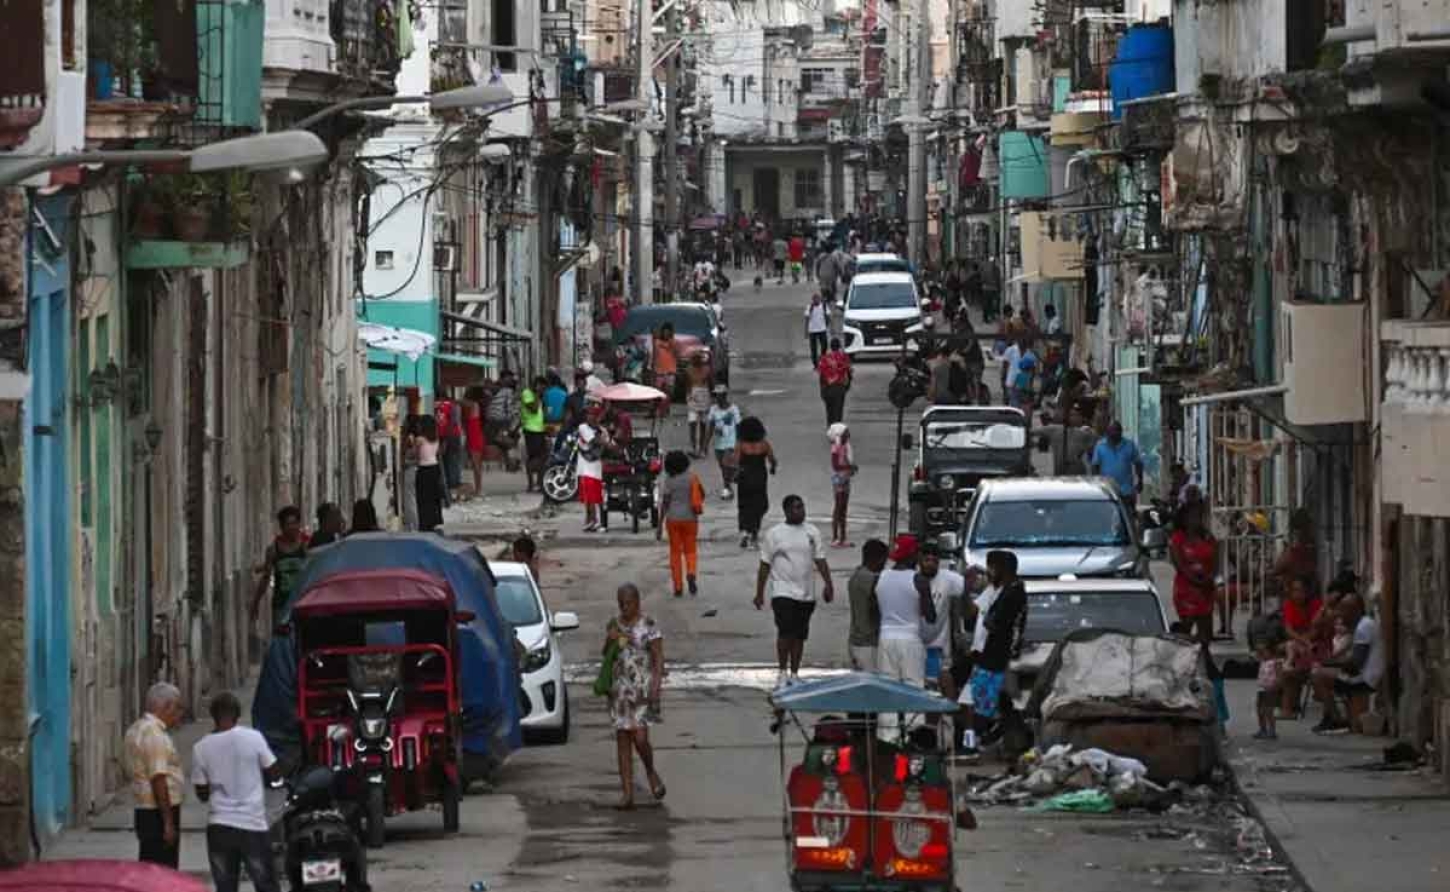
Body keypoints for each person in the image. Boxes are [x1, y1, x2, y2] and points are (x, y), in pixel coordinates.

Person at [192, 691, 282, 892]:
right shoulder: (254, 738)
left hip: (219, 826)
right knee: (266, 884)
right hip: (252, 825)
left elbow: (202, 794)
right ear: (238, 714)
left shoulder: (200, 748)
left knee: (225, 887)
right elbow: (275, 773)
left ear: (213, 716)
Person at [754, 494, 834, 686]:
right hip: (783, 592)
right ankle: (782, 671)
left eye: (802, 507)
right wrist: (759, 592)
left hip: (806, 593)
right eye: (796, 508)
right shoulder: (775, 534)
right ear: (787, 511)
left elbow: (820, 559)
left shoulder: (812, 532)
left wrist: (828, 584)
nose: (801, 511)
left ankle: (795, 673)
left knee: (799, 635)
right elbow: (765, 564)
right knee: (785, 632)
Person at [605, 584, 667, 809]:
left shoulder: (649, 625)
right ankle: (627, 794)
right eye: (620, 602)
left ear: (638, 602)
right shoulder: (614, 624)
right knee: (623, 740)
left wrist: (656, 686)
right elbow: (607, 655)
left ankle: (650, 772)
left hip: (642, 689)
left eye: (628, 602)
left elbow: (659, 657)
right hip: (620, 690)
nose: (624, 607)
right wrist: (611, 639)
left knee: (640, 738)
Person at [872, 534, 937, 737]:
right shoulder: (919, 581)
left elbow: (872, 610)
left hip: (885, 638)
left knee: (888, 687)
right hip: (910, 639)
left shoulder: (880, 578)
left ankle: (887, 737)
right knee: (913, 687)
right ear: (913, 555)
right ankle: (914, 736)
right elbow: (931, 616)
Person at [968, 550, 1027, 746]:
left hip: (996, 657)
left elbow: (993, 624)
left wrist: (987, 618)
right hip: (994, 656)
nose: (988, 572)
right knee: (996, 704)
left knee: (982, 705)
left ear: (1002, 569)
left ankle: (979, 744)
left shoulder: (1012, 593)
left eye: (991, 567)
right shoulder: (1006, 590)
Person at [125, 682, 185, 867]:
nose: (179, 714)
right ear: (166, 706)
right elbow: (158, 778)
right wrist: (168, 823)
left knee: (150, 868)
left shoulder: (136, 728)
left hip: (145, 809)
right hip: (158, 812)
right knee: (163, 870)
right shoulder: (154, 734)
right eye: (177, 707)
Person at [1310, 595, 1383, 734]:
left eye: (1343, 609)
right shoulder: (1363, 624)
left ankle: (1334, 718)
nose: (1339, 613)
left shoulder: (1363, 627)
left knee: (1317, 675)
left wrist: (1328, 663)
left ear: (1354, 611)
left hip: (1365, 679)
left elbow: (1356, 664)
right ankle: (1335, 716)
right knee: (1322, 671)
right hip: (1364, 675)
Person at [918, 545, 968, 704]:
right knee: (921, 691)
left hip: (939, 648)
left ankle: (949, 723)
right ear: (920, 561)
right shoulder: (912, 578)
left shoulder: (948, 578)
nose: (931, 564)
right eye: (927, 560)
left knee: (942, 689)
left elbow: (968, 585)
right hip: (915, 647)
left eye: (934, 560)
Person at [1169, 500, 1218, 647]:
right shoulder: (1177, 538)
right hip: (1187, 589)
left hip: (1206, 589)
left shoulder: (1208, 537)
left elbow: (1215, 560)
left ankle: (1203, 657)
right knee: (1186, 629)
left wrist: (1210, 578)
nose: (1196, 520)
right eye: (1192, 516)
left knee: (1206, 634)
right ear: (1184, 518)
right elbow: (1179, 565)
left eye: (1198, 516)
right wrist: (1196, 582)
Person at [250, 506, 309, 630]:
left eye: (295, 523)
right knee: (281, 640)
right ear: (282, 527)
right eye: (288, 524)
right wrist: (256, 602)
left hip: (303, 603)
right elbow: (266, 578)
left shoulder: (307, 546)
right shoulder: (273, 550)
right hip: (281, 605)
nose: (292, 527)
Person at [658, 450, 705, 597]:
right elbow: (702, 494)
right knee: (690, 550)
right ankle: (691, 573)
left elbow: (665, 503)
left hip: (673, 519)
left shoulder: (669, 480)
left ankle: (678, 586)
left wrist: (659, 524)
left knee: (675, 553)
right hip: (690, 518)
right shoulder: (692, 477)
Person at [1279, 575, 1325, 716]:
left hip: (1315, 641)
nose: (1297, 594)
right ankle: (1290, 703)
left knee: (1295, 659)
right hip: (1299, 641)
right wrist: (1303, 641)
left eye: (1301, 590)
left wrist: (1306, 641)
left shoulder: (1316, 604)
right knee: (1289, 647)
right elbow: (1288, 629)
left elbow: (1316, 629)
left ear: (1308, 591)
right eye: (1294, 590)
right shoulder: (1288, 605)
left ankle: (1289, 706)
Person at [734, 416, 777, 548]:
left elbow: (735, 462)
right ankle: (754, 532)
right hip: (759, 477)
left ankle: (744, 531)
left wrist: (734, 475)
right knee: (760, 505)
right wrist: (773, 468)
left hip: (744, 477)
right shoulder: (764, 444)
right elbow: (772, 459)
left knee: (744, 504)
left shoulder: (741, 444)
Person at [847, 539, 889, 671]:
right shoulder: (872, 579)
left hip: (855, 639)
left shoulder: (856, 575)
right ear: (879, 559)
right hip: (869, 642)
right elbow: (875, 608)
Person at [1089, 420, 1145, 514]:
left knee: (1128, 516)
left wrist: (1140, 481)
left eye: (1117, 430)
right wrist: (1096, 485)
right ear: (1107, 432)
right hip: (1107, 491)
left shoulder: (1129, 445)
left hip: (1126, 491)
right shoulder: (1100, 446)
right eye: (1112, 430)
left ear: (1121, 432)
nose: (1115, 433)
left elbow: (1138, 463)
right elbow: (1095, 466)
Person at [1035, 403, 1097, 475]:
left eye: (1076, 415)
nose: (1073, 417)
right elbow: (1033, 432)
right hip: (1061, 474)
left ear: (1082, 417)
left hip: (1078, 473)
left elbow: (1093, 452)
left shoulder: (1086, 432)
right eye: (1071, 415)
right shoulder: (1056, 429)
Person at [577, 399, 608, 532]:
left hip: (596, 468)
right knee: (588, 497)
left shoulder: (602, 430)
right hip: (585, 467)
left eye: (595, 415)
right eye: (590, 415)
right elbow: (596, 441)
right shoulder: (583, 427)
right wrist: (608, 444)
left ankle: (596, 520)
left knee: (596, 497)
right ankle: (591, 519)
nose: (592, 417)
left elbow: (604, 440)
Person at [706, 385, 741, 499]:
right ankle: (729, 484)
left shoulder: (733, 409)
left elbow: (739, 426)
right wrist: (705, 444)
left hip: (730, 442)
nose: (717, 398)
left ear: (725, 396)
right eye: (716, 395)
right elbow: (710, 426)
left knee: (726, 466)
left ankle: (726, 488)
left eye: (720, 395)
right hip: (718, 443)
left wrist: (740, 442)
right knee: (723, 467)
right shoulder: (713, 409)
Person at [413, 415, 446, 531]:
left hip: (424, 470)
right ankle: (435, 521)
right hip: (435, 468)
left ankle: (425, 523)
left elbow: (415, 456)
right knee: (433, 498)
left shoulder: (419, 440)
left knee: (423, 499)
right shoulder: (435, 438)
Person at [827, 423, 857, 548]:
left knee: (843, 509)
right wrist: (850, 467)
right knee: (838, 507)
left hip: (845, 478)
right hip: (839, 479)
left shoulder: (846, 446)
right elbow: (835, 465)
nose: (848, 434)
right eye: (846, 432)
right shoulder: (836, 447)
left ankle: (843, 537)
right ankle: (835, 537)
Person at [487, 371, 521, 472]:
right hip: (501, 421)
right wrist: (515, 417)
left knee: (506, 442)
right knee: (511, 440)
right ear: (503, 378)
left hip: (492, 422)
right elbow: (510, 409)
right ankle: (513, 463)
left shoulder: (494, 389)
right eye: (509, 378)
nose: (510, 380)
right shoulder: (507, 391)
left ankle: (510, 463)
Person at [521, 376, 548, 493]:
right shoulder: (527, 393)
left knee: (543, 457)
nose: (543, 390)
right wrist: (537, 393)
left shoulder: (539, 396)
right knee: (533, 458)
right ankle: (531, 484)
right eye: (542, 387)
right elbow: (534, 409)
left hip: (540, 429)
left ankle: (540, 483)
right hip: (531, 429)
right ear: (537, 385)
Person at [817, 337, 852, 426]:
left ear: (830, 347)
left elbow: (821, 376)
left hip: (828, 387)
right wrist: (847, 387)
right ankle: (838, 430)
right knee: (838, 411)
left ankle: (830, 428)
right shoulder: (844, 357)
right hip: (840, 387)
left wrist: (822, 390)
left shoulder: (824, 358)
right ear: (839, 346)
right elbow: (848, 373)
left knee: (829, 410)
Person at [435, 392, 463, 502]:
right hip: (451, 436)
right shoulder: (451, 406)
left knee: (448, 464)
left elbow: (452, 422)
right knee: (451, 464)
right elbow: (454, 422)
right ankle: (451, 492)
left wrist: (445, 440)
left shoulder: (443, 406)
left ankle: (450, 491)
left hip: (447, 437)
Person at [685, 353, 713, 457]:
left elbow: (710, 383)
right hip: (695, 395)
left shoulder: (707, 369)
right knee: (693, 423)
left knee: (702, 424)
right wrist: (688, 397)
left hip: (703, 395)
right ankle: (695, 448)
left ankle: (701, 448)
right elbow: (687, 385)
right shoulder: (689, 370)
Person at [1254, 643, 1283, 741]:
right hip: (1261, 689)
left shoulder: (1276, 662)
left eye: (1264, 652)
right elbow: (1254, 655)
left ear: (1271, 652)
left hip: (1271, 689)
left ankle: (1272, 730)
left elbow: (1279, 676)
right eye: (1260, 652)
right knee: (1260, 710)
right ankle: (1262, 729)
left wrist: (1277, 686)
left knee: (1269, 710)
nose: (1261, 654)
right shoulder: (1262, 661)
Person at [464, 387, 487, 497]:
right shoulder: (475, 405)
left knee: (476, 465)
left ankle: (479, 489)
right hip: (474, 435)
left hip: (474, 436)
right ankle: (478, 488)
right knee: (476, 464)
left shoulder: (473, 404)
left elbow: (461, 403)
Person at [400, 415, 421, 531]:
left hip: (410, 471)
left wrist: (406, 462)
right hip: (415, 470)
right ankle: (414, 524)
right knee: (413, 499)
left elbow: (407, 456)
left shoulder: (409, 438)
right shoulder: (418, 438)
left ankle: (412, 525)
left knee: (409, 500)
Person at [651, 323, 680, 398]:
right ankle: (659, 407)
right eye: (665, 332)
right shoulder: (657, 342)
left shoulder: (675, 342)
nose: (666, 334)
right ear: (662, 332)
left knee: (669, 392)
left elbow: (677, 355)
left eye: (668, 332)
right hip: (659, 371)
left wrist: (672, 345)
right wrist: (653, 368)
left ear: (671, 333)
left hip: (670, 371)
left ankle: (666, 407)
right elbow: (654, 355)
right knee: (657, 392)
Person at [804, 292, 830, 367]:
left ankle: (823, 359)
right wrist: (806, 331)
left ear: (820, 299)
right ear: (812, 300)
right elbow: (806, 319)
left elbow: (828, 317)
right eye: (814, 299)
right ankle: (815, 364)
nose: (816, 300)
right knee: (813, 348)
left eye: (817, 299)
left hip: (822, 329)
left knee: (824, 346)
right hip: (812, 331)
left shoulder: (824, 306)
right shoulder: (809, 307)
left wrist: (830, 327)